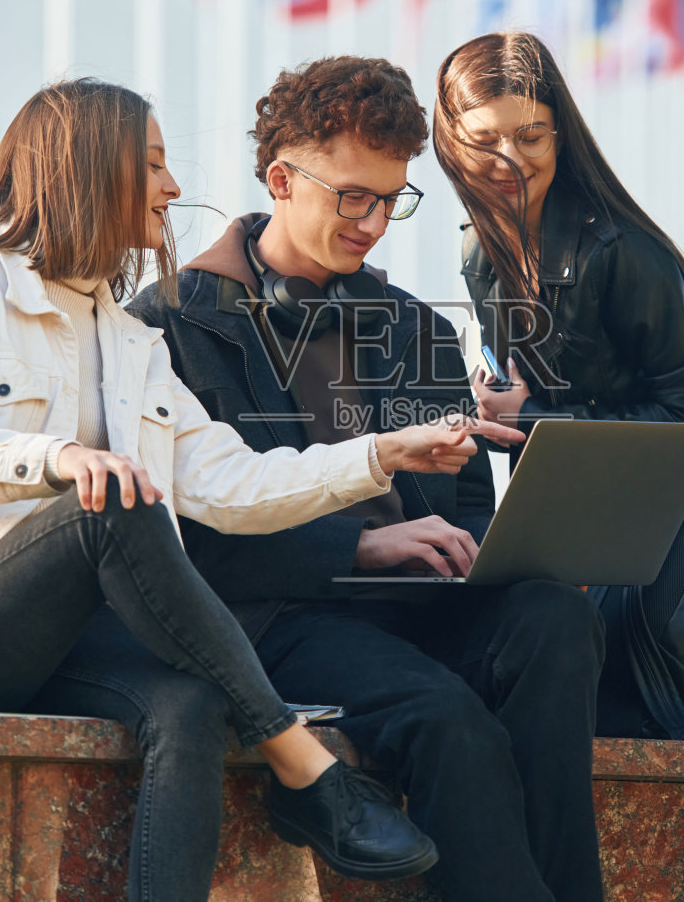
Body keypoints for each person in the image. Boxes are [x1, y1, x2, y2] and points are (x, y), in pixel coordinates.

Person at [0, 78, 523, 901]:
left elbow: (234, 482)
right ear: (87, 166)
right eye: (152, 164)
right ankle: (304, 765)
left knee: (189, 708)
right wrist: (61, 458)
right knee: (119, 502)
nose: (174, 187)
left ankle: (293, 769)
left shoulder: (127, 335)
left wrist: (384, 453)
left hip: (65, 640)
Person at [131, 56, 607, 902]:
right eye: (354, 196)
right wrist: (363, 541)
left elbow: (464, 508)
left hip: (416, 608)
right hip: (278, 616)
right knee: (450, 721)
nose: (375, 223)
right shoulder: (168, 324)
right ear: (281, 178)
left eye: (392, 199)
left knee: (553, 618)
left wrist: (496, 547)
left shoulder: (416, 325)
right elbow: (181, 542)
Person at [433, 31, 684, 740]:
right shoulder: (478, 248)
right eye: (485, 140)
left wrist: (539, 414)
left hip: (652, 553)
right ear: (450, 141)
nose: (509, 160)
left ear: (562, 134)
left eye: (532, 136)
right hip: (560, 543)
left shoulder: (624, 251)